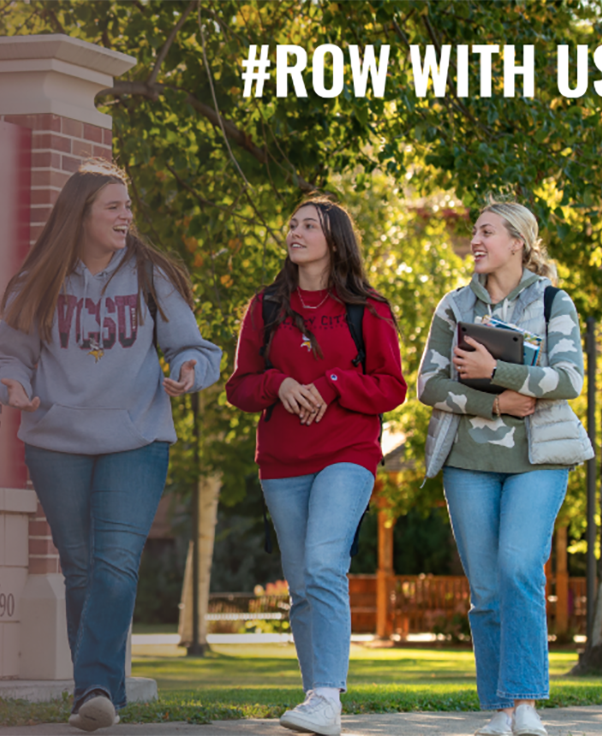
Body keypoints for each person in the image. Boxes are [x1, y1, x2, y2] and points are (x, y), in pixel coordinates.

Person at [0, 158, 222, 733]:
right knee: (82, 569)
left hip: (135, 436)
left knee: (116, 565)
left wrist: (188, 370)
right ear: (81, 214)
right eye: (113, 207)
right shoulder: (37, 280)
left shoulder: (148, 275)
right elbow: (6, 356)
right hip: (55, 439)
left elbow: (195, 346)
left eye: (127, 206)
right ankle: (101, 693)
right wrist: (11, 384)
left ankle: (90, 688)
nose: (126, 216)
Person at [223, 197, 406, 736]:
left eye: (309, 224)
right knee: (302, 584)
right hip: (281, 462)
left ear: (335, 239)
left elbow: (391, 387)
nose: (295, 231)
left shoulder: (368, 308)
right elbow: (238, 386)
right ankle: (314, 697)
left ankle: (328, 697)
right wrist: (279, 383)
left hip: (347, 454)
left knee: (326, 566)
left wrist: (331, 384)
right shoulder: (266, 306)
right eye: (293, 223)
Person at [416, 201, 591, 736]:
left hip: (537, 460)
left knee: (519, 568)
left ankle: (527, 703)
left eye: (487, 231)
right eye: (475, 231)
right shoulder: (453, 306)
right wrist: (493, 402)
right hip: (468, 462)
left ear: (518, 242)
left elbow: (569, 378)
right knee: (487, 588)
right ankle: (498, 710)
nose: (476, 239)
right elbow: (427, 385)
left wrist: (499, 371)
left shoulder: (552, 302)